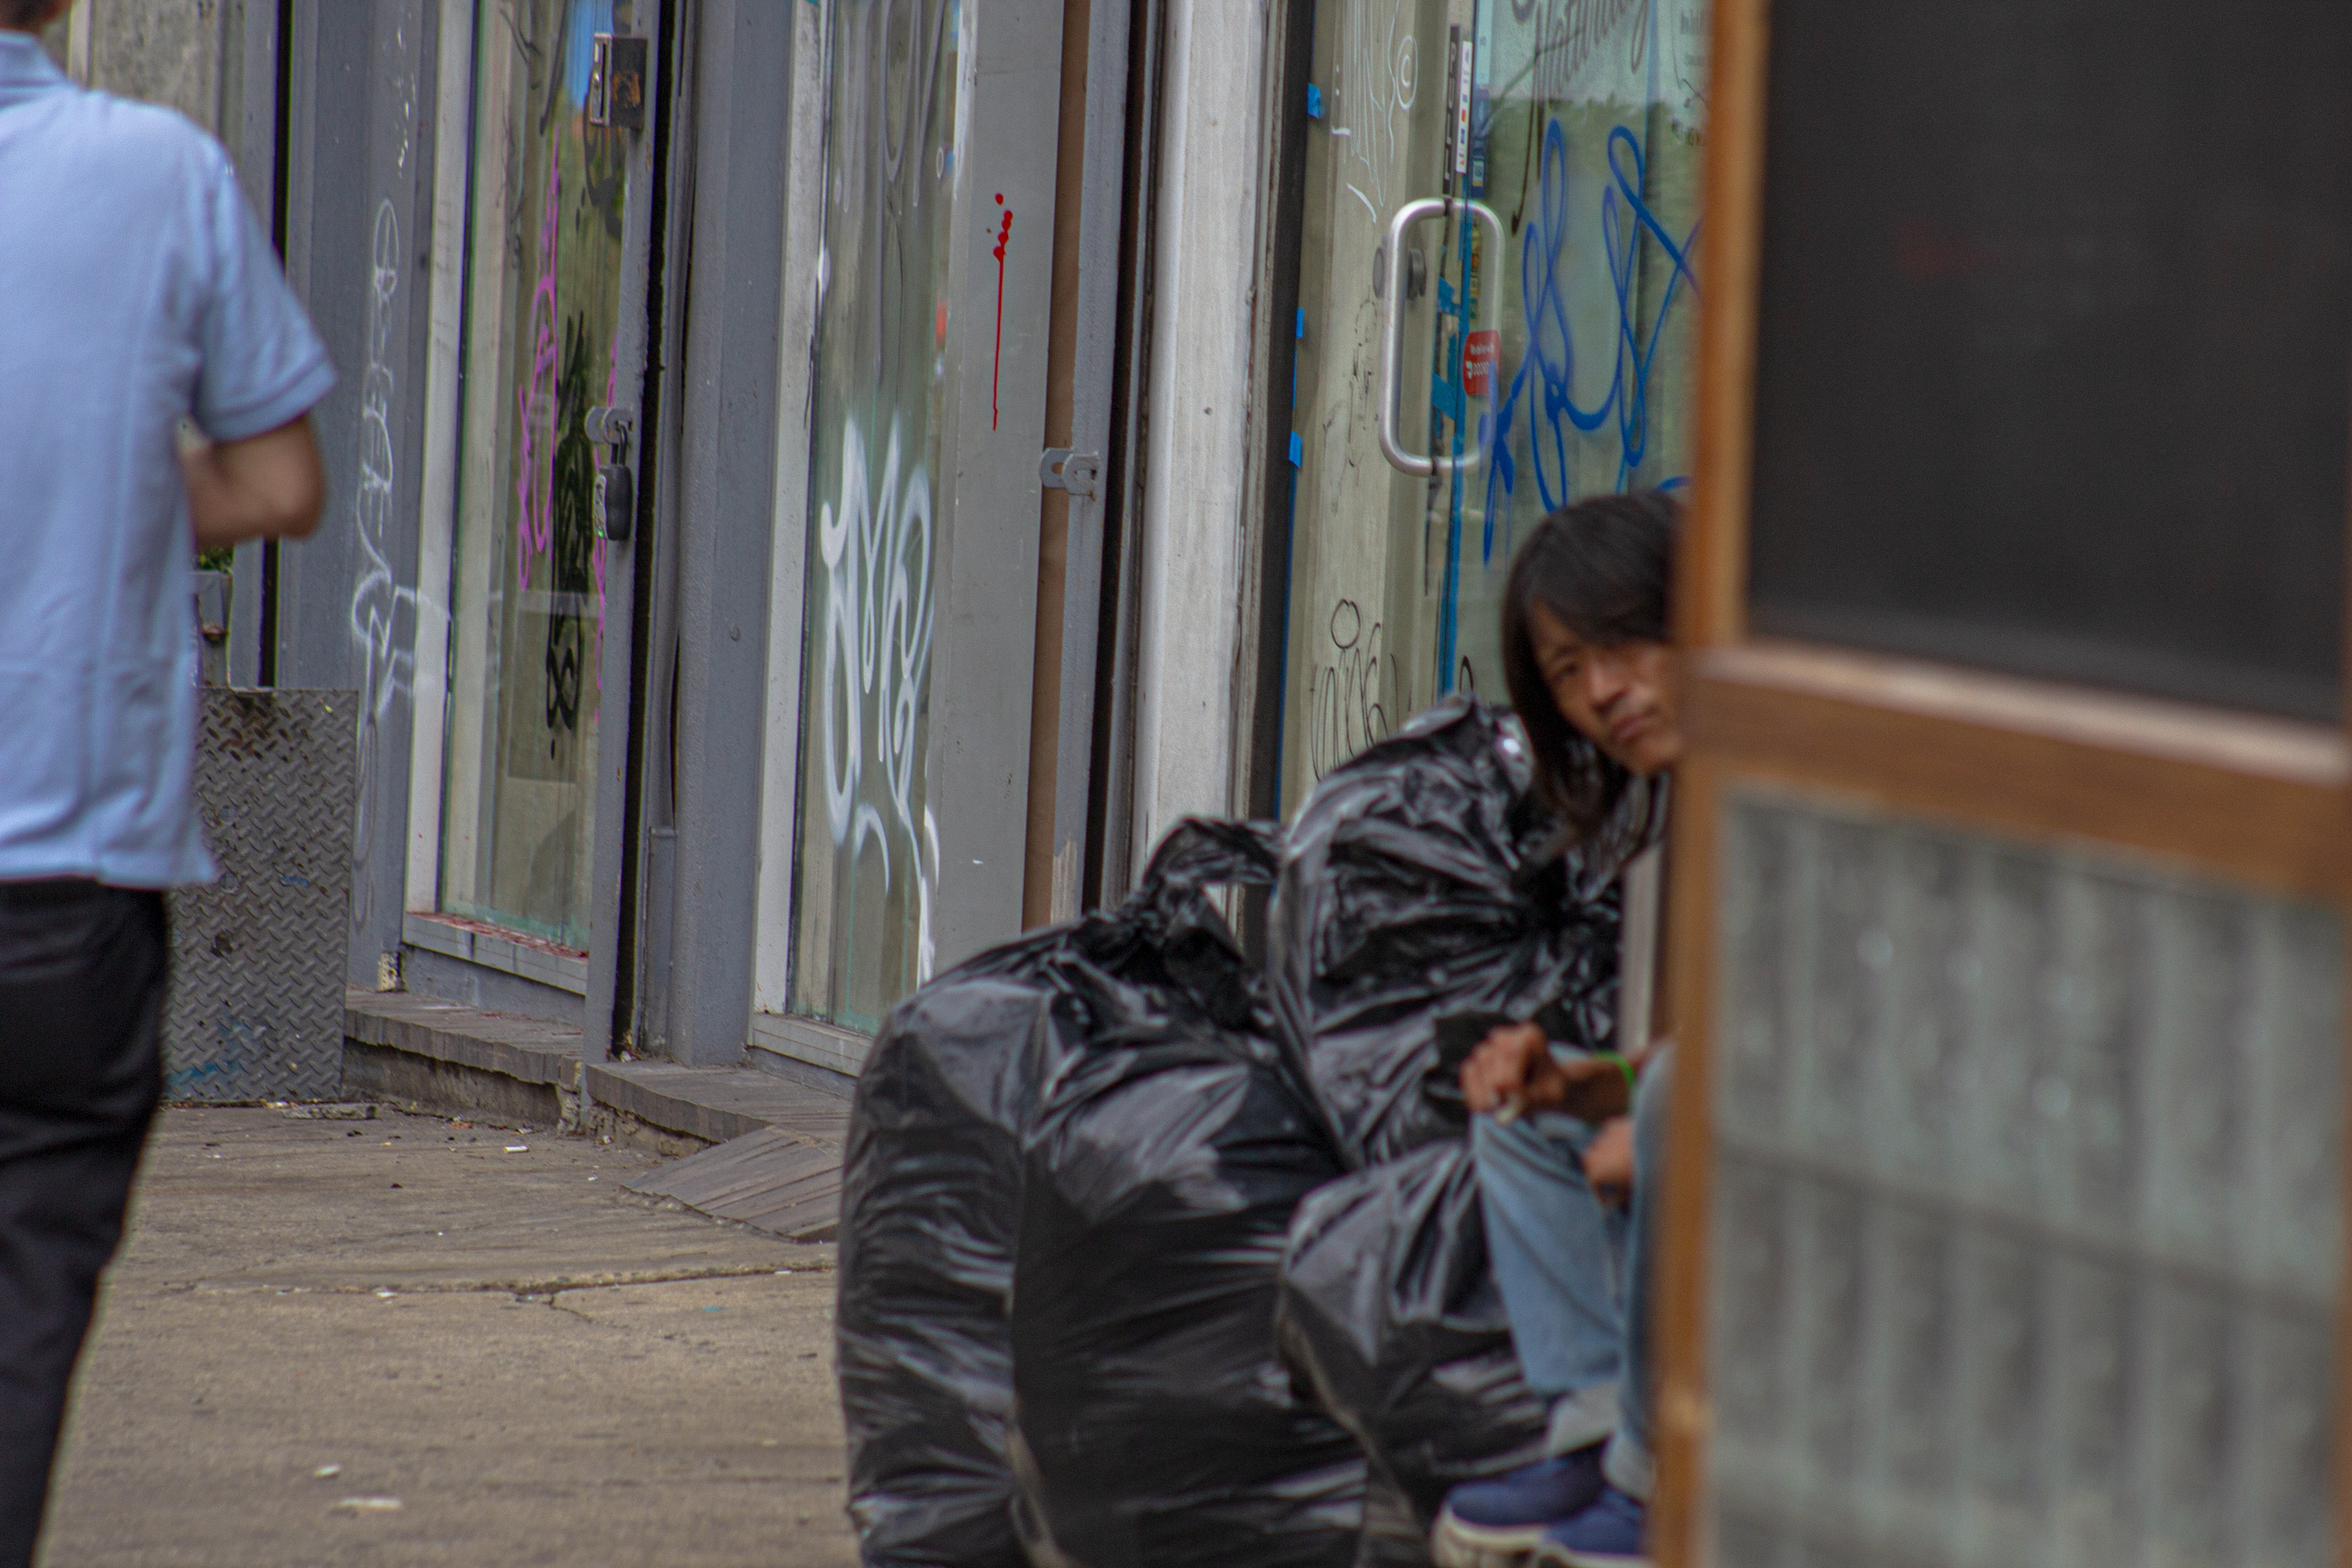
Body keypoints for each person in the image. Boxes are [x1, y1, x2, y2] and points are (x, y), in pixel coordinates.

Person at [0, 5, 334, 1559]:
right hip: (70, 895)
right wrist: (129, 472)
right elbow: (280, 481)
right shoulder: (161, 175)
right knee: (24, 1319)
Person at [1430, 491, 1683, 1568]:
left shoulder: (1785, 798)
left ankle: (1647, 1478)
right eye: (1569, 672)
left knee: (1673, 1107)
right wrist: (1580, 1094)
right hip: (1734, 1116)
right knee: (1521, 1117)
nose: (1603, 694)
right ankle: (1592, 1434)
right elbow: (1677, 1057)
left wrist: (1676, 1119)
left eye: (1624, 643)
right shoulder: (1672, 824)